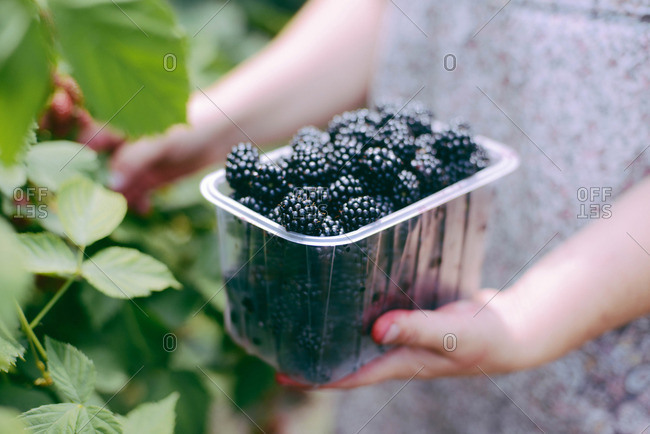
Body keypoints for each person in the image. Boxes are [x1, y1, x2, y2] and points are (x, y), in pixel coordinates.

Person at [100, 0, 650, 431]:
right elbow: (385, 9)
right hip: (391, 304)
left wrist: (529, 317)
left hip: (592, 350)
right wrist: (208, 124)